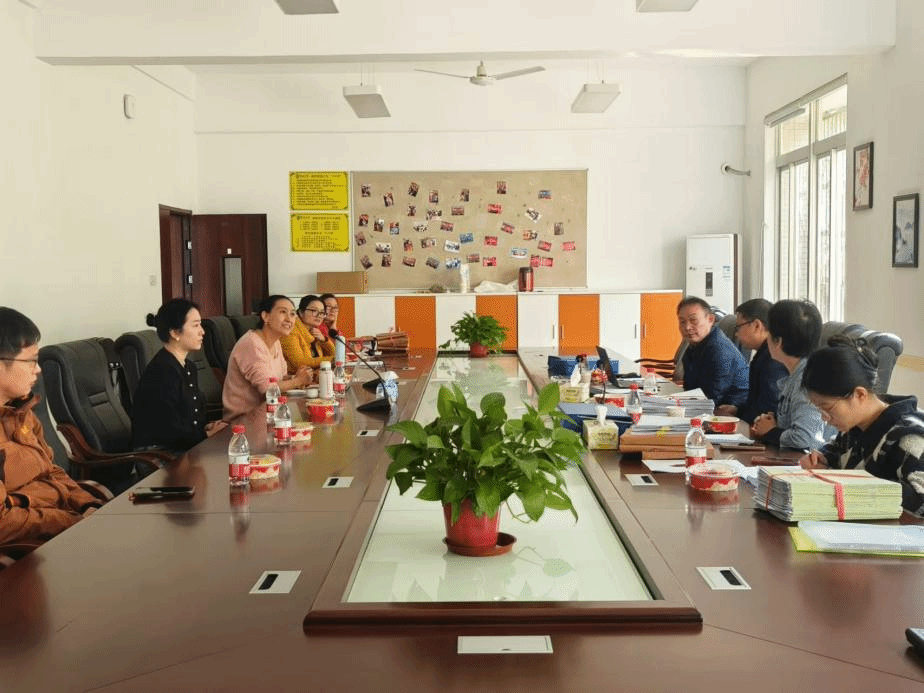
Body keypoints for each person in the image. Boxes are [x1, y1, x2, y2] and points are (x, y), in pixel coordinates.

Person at [0, 307, 103, 545]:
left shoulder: (21, 413)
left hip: (56, 528)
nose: (38, 369)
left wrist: (87, 504)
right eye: (31, 361)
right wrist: (71, 521)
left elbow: (51, 470)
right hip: (29, 549)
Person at [800, 336, 924, 516]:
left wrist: (850, 481)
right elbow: (835, 451)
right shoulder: (855, 427)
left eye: (827, 408)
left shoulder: (910, 437)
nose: (824, 418)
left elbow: (920, 502)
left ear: (859, 394)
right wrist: (822, 459)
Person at [131, 299, 227, 453]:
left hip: (185, 448)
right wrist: (206, 435)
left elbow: (189, 417)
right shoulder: (162, 371)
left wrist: (207, 426)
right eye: (195, 325)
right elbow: (168, 430)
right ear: (175, 333)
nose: (202, 331)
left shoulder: (188, 367)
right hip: (161, 456)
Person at [750, 299, 827, 450]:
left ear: (778, 341)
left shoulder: (807, 380)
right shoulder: (797, 373)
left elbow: (805, 439)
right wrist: (773, 422)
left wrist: (771, 432)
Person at [223, 295, 313, 420]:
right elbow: (267, 389)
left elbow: (280, 379)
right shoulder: (252, 343)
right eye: (283, 312)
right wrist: (298, 381)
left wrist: (295, 377)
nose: (289, 319)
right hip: (244, 420)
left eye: (292, 314)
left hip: (269, 414)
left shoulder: (275, 341)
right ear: (265, 316)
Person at [715, 298, 787, 424]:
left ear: (757, 325)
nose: (736, 334)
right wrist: (737, 410)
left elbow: (767, 410)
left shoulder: (773, 360)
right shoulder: (763, 354)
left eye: (738, 327)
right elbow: (756, 402)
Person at [677, 296, 748, 409]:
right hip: (707, 407)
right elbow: (690, 389)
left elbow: (711, 398)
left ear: (710, 319)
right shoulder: (694, 346)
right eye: (682, 322)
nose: (687, 327)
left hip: (730, 411)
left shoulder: (719, 350)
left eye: (693, 320)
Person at [280, 294, 335, 374]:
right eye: (314, 311)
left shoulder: (314, 331)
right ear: (301, 312)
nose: (319, 316)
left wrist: (324, 340)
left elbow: (334, 353)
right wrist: (331, 360)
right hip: (294, 379)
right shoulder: (291, 331)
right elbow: (300, 362)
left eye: (322, 312)